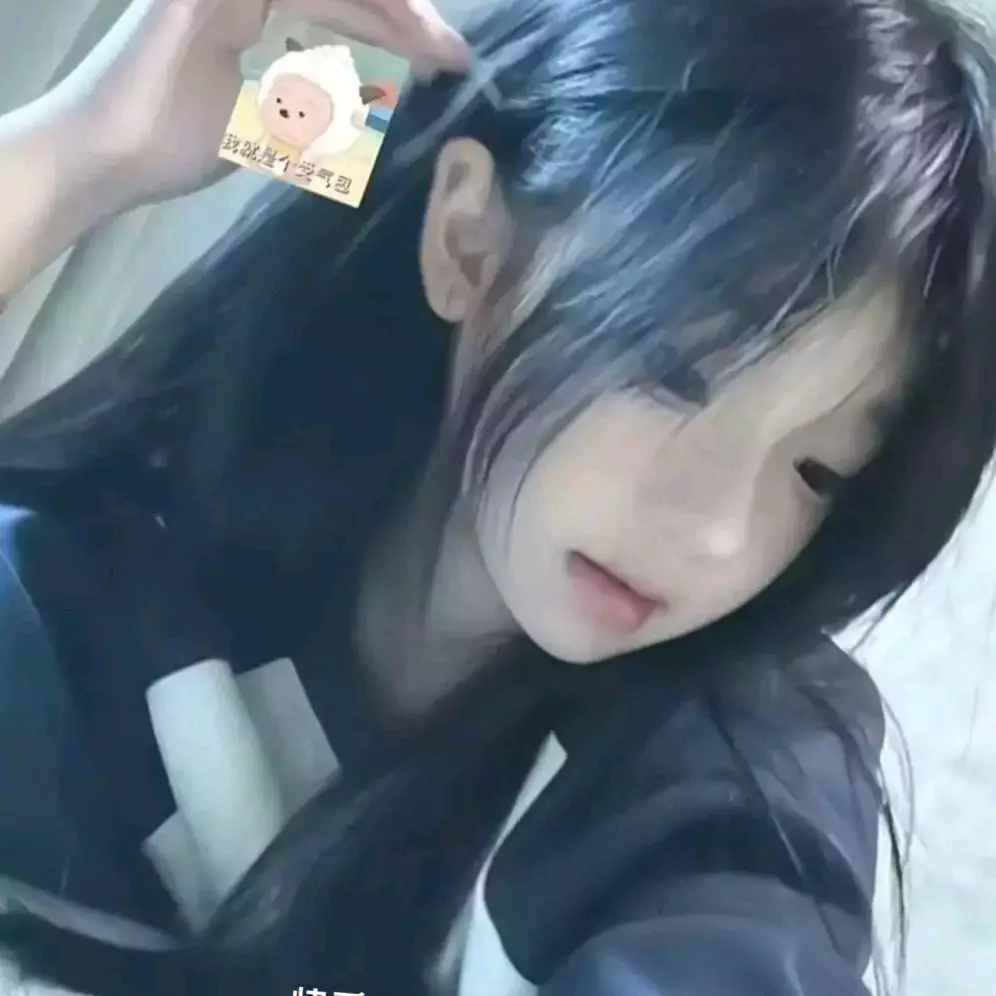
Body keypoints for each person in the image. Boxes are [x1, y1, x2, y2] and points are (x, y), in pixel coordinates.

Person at [0, 0, 994, 993]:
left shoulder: (737, 793)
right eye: (675, 373)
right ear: (468, 244)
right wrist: (77, 157)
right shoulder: (100, 587)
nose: (718, 534)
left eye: (818, 470)